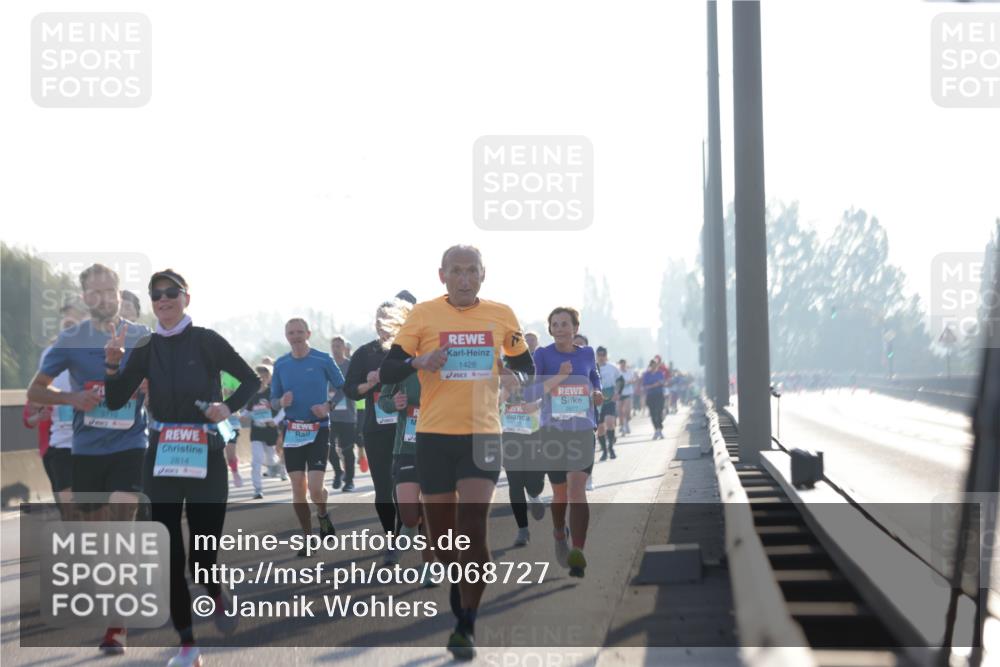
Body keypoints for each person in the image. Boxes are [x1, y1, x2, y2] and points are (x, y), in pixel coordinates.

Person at [380, 245, 534, 660]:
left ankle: (467, 620)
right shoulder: (424, 315)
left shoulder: (501, 314)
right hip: (433, 437)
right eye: (456, 271)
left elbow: (527, 365)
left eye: (471, 271)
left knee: (473, 529)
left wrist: (510, 372)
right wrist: (420, 360)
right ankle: (458, 580)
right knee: (443, 538)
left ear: (483, 275)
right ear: (442, 275)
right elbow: (390, 369)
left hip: (483, 435)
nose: (464, 278)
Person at [104, 268, 260, 667]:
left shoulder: (206, 341)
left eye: (171, 292)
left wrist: (227, 406)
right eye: (156, 295)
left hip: (205, 455)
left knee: (201, 559)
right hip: (161, 458)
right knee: (168, 554)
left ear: (186, 298)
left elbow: (250, 381)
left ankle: (215, 591)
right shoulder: (145, 347)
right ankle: (188, 645)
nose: (163, 299)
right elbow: (116, 398)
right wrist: (113, 364)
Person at [27, 264, 150, 655]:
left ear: (119, 292)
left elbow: (169, 381)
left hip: (131, 444)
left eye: (109, 290)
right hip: (88, 450)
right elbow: (36, 390)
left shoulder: (142, 337)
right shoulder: (70, 340)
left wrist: (151, 385)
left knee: (121, 522)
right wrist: (69, 398)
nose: (103, 298)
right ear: (84, 298)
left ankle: (117, 626)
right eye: (94, 293)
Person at [530, 307, 602, 578]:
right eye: (555, 324)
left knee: (576, 489)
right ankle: (559, 532)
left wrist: (596, 391)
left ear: (575, 328)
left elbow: (593, 376)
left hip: (582, 430)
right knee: (560, 494)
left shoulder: (587, 353)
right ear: (550, 329)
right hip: (553, 431)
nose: (559, 328)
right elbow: (534, 390)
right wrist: (558, 377)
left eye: (564, 324)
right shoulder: (543, 354)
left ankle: (578, 551)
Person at [343, 299, 413, 564]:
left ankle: (415, 528)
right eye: (379, 319)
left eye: (390, 318)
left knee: (411, 485)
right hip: (377, 429)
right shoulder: (364, 353)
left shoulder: (414, 348)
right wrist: (368, 383)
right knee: (384, 488)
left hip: (410, 426)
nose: (383, 324)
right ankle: (392, 540)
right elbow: (349, 389)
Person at [271, 318, 344, 554]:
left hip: (319, 428)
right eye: (291, 332)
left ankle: (323, 513)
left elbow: (343, 387)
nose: (296, 336)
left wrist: (328, 406)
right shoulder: (281, 364)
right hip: (292, 430)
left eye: (299, 332)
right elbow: (273, 399)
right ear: (286, 336)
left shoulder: (322, 359)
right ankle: (307, 538)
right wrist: (281, 402)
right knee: (297, 488)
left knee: (314, 488)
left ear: (308, 333)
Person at [377, 358, 438, 586]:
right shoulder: (399, 367)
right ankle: (408, 529)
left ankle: (429, 568)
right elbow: (383, 400)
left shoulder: (448, 362)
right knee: (410, 515)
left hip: (441, 445)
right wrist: (395, 403)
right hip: (407, 448)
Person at [25, 299, 87, 508]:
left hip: (93, 444)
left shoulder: (100, 351)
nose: (69, 319)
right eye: (65, 315)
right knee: (69, 510)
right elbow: (36, 393)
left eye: (75, 314)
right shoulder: (49, 354)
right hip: (61, 442)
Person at [246, 363, 281, 499]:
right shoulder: (251, 394)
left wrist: (276, 420)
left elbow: (283, 409)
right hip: (256, 432)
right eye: (259, 376)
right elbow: (247, 411)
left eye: (264, 376)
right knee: (257, 460)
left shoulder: (273, 392)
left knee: (271, 460)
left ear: (268, 378)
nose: (261, 379)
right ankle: (257, 489)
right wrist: (242, 415)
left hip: (270, 431)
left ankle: (278, 465)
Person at [328, 336, 356, 491]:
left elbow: (347, 387)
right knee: (328, 448)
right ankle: (338, 472)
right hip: (330, 415)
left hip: (347, 416)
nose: (336, 348)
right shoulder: (327, 365)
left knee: (347, 450)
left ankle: (350, 481)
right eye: (333, 346)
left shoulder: (349, 366)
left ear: (344, 348)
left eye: (339, 346)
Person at [595, 346, 621, 460]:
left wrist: (617, 392)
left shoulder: (612, 368)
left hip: (610, 398)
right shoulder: (592, 368)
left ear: (606, 356)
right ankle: (604, 451)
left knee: (610, 422)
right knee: (600, 427)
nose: (601, 357)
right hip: (597, 399)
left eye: (603, 355)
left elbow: (620, 380)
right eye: (599, 355)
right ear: (596, 356)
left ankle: (611, 447)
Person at [220, 371, 244, 487]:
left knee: (230, 452)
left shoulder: (230, 376)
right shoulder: (202, 373)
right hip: (212, 418)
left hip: (230, 418)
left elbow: (243, 392)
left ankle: (235, 472)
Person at [642, 360, 666, 439]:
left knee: (659, 412)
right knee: (653, 414)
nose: (654, 367)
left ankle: (660, 429)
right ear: (650, 366)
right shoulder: (646, 375)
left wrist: (660, 383)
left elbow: (663, 382)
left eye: (655, 365)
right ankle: (656, 430)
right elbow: (645, 386)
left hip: (659, 395)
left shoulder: (660, 373)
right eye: (652, 366)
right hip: (651, 396)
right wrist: (654, 385)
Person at [618, 359, 635, 436]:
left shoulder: (629, 372)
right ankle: (623, 427)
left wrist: (630, 382)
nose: (622, 366)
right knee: (621, 411)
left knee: (627, 411)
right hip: (619, 393)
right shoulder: (618, 372)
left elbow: (634, 379)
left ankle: (626, 423)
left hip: (628, 393)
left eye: (624, 364)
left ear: (625, 364)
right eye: (621, 364)